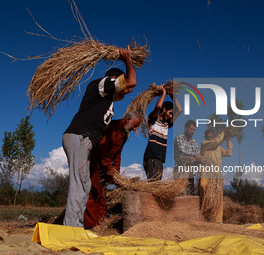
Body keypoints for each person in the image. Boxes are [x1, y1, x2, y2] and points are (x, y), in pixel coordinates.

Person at [62, 48, 137, 227]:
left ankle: (77, 226)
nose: (124, 92)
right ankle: (71, 229)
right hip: (80, 137)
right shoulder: (103, 84)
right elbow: (132, 81)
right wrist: (127, 59)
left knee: (85, 185)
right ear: (115, 79)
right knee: (79, 185)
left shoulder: (106, 97)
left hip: (83, 141)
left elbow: (130, 87)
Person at [84, 111, 141, 228]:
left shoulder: (124, 135)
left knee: (103, 194)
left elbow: (118, 154)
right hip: (96, 162)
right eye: (135, 125)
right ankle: (91, 225)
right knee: (94, 191)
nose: (135, 129)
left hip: (105, 166)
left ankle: (101, 223)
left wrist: (116, 173)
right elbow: (103, 147)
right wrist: (108, 167)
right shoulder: (112, 126)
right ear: (128, 119)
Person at [143, 85, 182, 181]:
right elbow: (158, 107)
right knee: (153, 184)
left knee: (157, 183)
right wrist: (164, 93)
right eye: (170, 113)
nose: (171, 116)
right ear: (164, 110)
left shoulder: (167, 124)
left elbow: (180, 110)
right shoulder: (153, 119)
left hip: (160, 159)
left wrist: (171, 94)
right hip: (151, 156)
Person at [200, 129, 233, 223]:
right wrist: (224, 132)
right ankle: (207, 218)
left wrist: (228, 139)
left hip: (217, 177)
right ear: (206, 138)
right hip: (207, 175)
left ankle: (218, 220)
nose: (210, 139)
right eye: (208, 137)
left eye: (212, 137)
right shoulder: (204, 144)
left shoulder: (218, 148)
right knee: (208, 197)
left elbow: (229, 153)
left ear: (214, 136)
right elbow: (217, 141)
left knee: (218, 198)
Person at [174, 120, 202, 195]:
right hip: (180, 172)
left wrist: (198, 157)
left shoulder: (194, 142)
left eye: (194, 130)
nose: (192, 131)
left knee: (190, 193)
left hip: (190, 172)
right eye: (191, 129)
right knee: (180, 194)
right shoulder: (179, 138)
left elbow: (198, 155)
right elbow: (182, 151)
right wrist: (195, 155)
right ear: (185, 128)